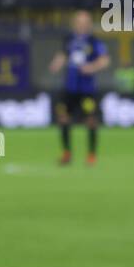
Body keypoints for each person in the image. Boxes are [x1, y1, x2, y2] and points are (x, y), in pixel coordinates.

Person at [48, 9, 109, 165]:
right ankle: (67, 153)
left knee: (91, 120)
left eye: (85, 23)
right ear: (74, 24)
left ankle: (91, 155)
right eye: (79, 22)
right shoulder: (69, 40)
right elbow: (63, 55)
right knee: (63, 119)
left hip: (87, 90)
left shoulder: (94, 42)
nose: (82, 25)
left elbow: (104, 60)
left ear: (89, 25)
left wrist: (91, 67)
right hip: (70, 88)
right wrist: (56, 64)